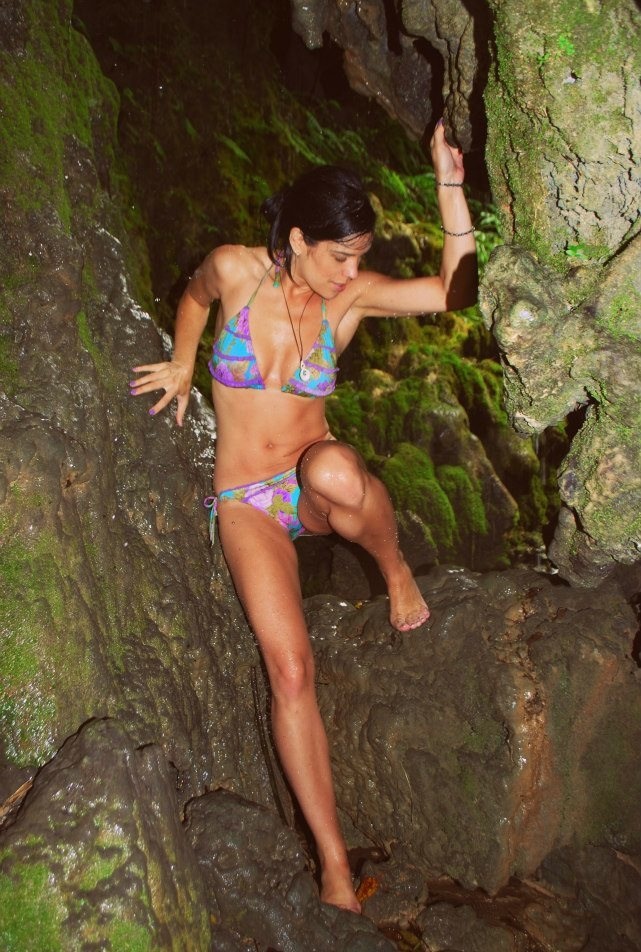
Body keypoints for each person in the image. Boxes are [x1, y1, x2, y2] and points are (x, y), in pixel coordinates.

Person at [131, 119, 477, 914]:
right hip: (245, 501)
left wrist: (449, 184)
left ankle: (391, 567)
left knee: (332, 467)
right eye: (340, 255)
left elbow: (453, 291)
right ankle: (333, 865)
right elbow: (194, 295)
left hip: (309, 486)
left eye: (359, 257)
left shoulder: (346, 300)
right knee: (289, 671)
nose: (351, 271)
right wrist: (183, 360)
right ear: (296, 239)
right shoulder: (234, 269)